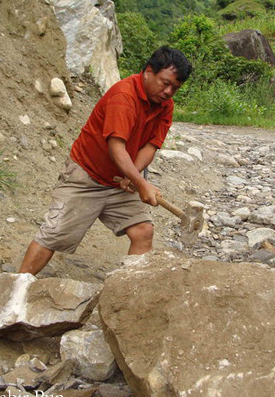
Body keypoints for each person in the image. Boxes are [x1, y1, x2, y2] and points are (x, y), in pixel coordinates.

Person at [19, 46, 193, 275]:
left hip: (120, 179)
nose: (168, 92)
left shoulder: (165, 106)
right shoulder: (124, 95)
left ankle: (125, 292)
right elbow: (116, 147)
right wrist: (141, 183)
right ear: (148, 71)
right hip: (86, 176)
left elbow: (151, 145)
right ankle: (16, 284)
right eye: (165, 83)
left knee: (143, 232)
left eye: (175, 88)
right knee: (53, 234)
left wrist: (132, 175)